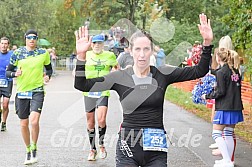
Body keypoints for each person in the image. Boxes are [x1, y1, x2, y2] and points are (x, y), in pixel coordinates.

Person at [74, 13, 213, 166]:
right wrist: (81, 56)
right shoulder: (119, 77)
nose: (142, 55)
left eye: (146, 49)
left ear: (151, 51)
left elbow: (199, 71)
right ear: (131, 51)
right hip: (128, 147)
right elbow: (82, 85)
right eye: (138, 49)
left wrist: (207, 43)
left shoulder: (162, 74)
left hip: (156, 150)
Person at [6, 29, 52, 165]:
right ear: (25, 39)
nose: (32, 39)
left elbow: (49, 69)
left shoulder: (43, 53)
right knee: (24, 123)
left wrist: (47, 76)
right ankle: (27, 150)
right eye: (29, 37)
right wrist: (15, 74)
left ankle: (34, 146)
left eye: (34, 37)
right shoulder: (17, 53)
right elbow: (8, 71)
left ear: (37, 39)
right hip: (22, 92)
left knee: (34, 121)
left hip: (37, 90)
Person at [202, 47, 243, 167]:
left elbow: (220, 92)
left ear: (218, 58)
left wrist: (207, 96)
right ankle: (228, 160)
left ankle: (227, 161)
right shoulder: (235, 71)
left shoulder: (221, 72)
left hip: (225, 107)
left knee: (216, 133)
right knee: (228, 133)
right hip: (236, 107)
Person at [79, 34, 118, 161]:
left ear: (103, 44)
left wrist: (115, 73)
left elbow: (116, 67)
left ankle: (101, 145)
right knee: (90, 123)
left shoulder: (110, 55)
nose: (97, 45)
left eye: (99, 43)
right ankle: (92, 149)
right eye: (95, 43)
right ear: (91, 44)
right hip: (89, 91)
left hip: (103, 91)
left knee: (101, 120)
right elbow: (79, 67)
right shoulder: (87, 54)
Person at [0, 37, 13, 131]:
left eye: (5, 44)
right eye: (2, 43)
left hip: (7, 81)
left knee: (5, 104)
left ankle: (4, 122)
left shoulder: (12, 55)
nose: (4, 45)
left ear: (8, 45)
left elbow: (17, 66)